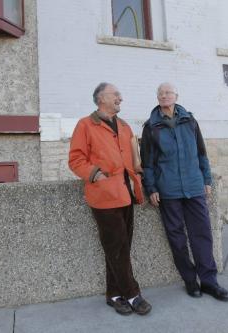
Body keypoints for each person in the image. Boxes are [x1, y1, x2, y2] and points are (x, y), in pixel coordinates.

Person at [140, 82, 228, 301]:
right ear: (157, 97)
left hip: (194, 186)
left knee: (202, 234)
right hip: (168, 191)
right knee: (177, 238)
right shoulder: (151, 126)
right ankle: (190, 281)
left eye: (168, 92)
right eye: (160, 93)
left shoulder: (190, 120)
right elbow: (148, 162)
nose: (164, 95)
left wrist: (206, 179)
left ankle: (209, 282)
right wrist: (151, 187)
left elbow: (202, 153)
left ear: (176, 96)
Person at [68, 82, 152, 315]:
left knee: (120, 247)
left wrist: (138, 174)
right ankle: (133, 294)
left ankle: (113, 294)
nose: (120, 98)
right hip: (104, 196)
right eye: (116, 94)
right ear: (100, 98)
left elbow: (132, 157)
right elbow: (76, 160)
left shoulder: (124, 126)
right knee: (117, 247)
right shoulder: (86, 125)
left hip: (126, 194)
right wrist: (97, 175)